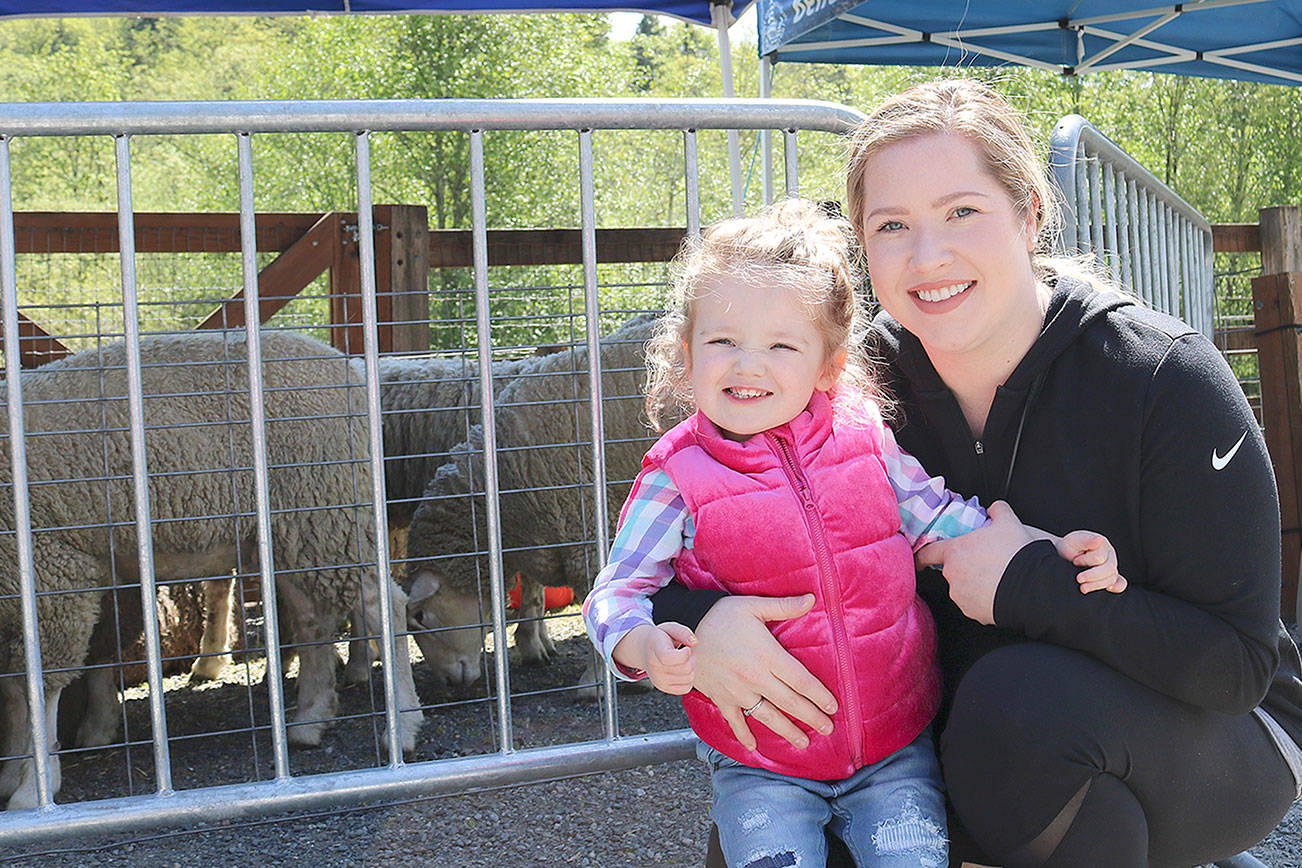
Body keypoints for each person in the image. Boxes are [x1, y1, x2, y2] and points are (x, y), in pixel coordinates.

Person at [650, 80, 1302, 868]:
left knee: (1021, 709)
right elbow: (691, 523)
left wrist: (1028, 583)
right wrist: (701, 618)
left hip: (1214, 729)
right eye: (893, 226)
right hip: (964, 737)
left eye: (962, 211)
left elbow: (1235, 664)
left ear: (1029, 213)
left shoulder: (1163, 377)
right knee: (775, 828)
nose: (929, 258)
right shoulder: (845, 393)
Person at [583, 198, 1125, 868]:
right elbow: (616, 593)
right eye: (722, 342)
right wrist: (640, 645)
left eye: (782, 345)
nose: (748, 366)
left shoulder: (867, 440)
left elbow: (945, 518)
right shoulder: (676, 477)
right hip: (762, 764)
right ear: (686, 355)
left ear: (828, 367)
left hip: (897, 749)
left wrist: (1046, 549)